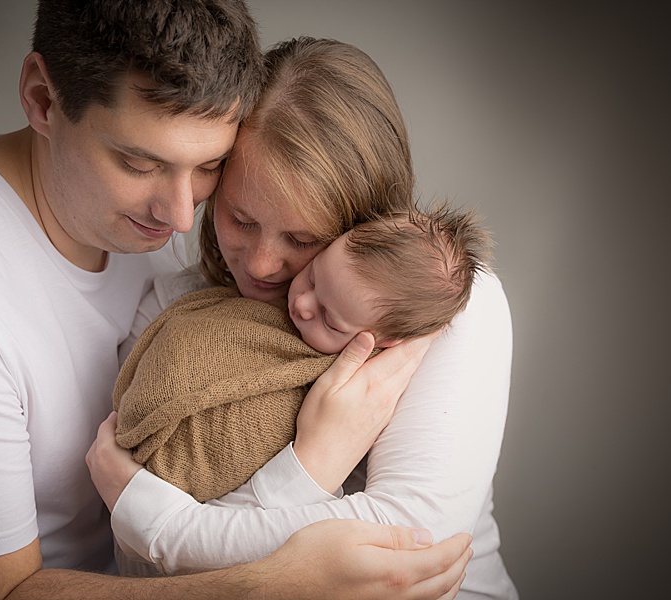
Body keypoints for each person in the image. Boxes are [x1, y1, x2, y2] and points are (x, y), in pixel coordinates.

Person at [0, 2, 471, 599]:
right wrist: (269, 585)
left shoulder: (202, 237)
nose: (184, 216)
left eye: (209, 166)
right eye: (139, 163)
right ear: (43, 99)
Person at [88, 36, 518, 599]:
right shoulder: (177, 310)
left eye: (303, 238)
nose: (263, 265)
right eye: (240, 219)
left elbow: (407, 552)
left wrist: (164, 518)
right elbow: (149, 580)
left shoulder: (441, 304)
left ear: (363, 223)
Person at [112, 207, 490, 509]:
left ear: (383, 342)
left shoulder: (380, 377)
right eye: (312, 277)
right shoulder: (224, 298)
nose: (303, 305)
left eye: (329, 318)